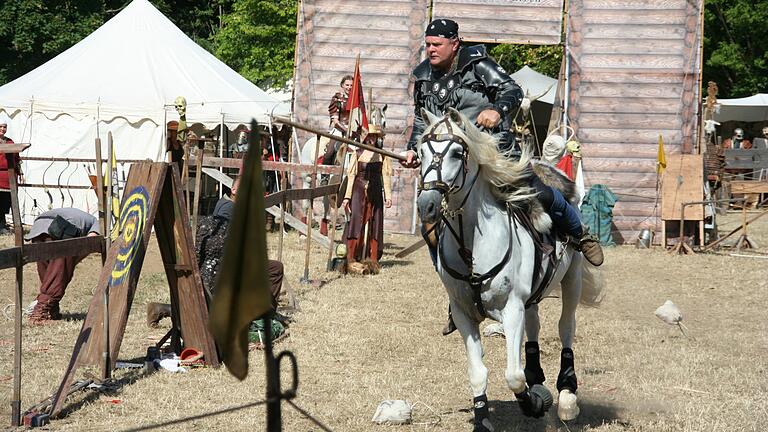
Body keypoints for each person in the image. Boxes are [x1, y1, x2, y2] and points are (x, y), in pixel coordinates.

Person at [400, 19, 603, 335]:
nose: (430, 50)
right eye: (427, 44)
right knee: (429, 221)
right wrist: (414, 148)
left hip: (493, 152)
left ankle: (579, 233)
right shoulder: (424, 77)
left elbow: (511, 89)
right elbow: (419, 120)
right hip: (453, 165)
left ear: (455, 43)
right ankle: (457, 292)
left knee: (539, 192)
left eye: (435, 44)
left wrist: (497, 111)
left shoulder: (478, 65)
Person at [146, 177, 285, 327]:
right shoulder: (227, 209)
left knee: (274, 269)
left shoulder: (234, 205)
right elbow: (222, 240)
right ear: (234, 190)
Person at [26, 208, 101, 323]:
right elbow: (89, 242)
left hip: (38, 227)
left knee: (48, 274)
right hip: (61, 228)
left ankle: (52, 311)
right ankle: (39, 313)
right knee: (59, 275)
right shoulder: (97, 223)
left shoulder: (83, 217)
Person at [341, 125, 393, 274]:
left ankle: (372, 258)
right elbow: (351, 177)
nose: (371, 139)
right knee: (357, 221)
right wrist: (347, 197)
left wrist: (387, 196)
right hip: (358, 190)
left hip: (375, 191)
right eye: (368, 136)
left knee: (374, 223)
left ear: (377, 138)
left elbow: (386, 177)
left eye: (374, 137)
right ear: (364, 137)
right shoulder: (357, 153)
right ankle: (352, 257)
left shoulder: (382, 155)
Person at [0, 120, 23, 234]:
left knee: (7, 201)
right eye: (0, 127)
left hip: (9, 177)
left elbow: (17, 159)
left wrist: (21, 173)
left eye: (4, 127)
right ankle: (1, 225)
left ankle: (2, 225)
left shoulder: (10, 142)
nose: (2, 129)